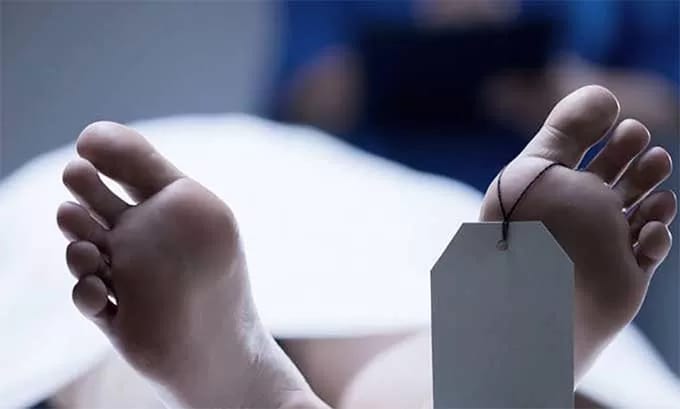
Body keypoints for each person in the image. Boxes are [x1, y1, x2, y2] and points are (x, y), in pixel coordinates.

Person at [56, 85, 675, 407]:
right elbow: (312, 86)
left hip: (374, 214)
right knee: (401, 336)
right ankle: (456, 391)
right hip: (402, 227)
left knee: (96, 361)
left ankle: (247, 395)